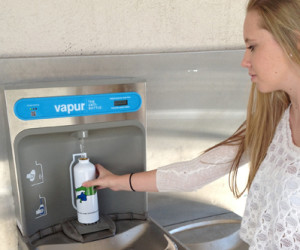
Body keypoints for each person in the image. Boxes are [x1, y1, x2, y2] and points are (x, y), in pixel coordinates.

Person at [83, 0, 300, 248]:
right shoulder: (274, 121)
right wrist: (117, 182)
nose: (244, 60)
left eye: (252, 46)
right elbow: (195, 173)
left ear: (295, 42)